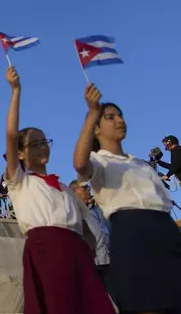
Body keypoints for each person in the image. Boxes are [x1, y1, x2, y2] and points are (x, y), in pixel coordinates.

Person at [4, 67, 113, 314]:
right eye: (34, 144)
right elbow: (11, 135)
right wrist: (16, 91)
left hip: (78, 255)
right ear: (20, 153)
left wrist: (85, 253)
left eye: (45, 142)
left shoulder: (65, 188)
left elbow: (86, 230)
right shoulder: (21, 181)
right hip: (45, 251)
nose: (43, 148)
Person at [73, 83, 181, 314]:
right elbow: (80, 164)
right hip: (131, 233)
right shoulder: (99, 162)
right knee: (147, 304)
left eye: (120, 116)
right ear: (97, 129)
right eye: (110, 117)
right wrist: (92, 113)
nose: (120, 120)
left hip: (166, 232)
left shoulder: (142, 164)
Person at [69, 180, 111, 290]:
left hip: (110, 261)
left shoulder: (98, 209)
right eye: (85, 188)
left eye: (88, 188)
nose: (88, 190)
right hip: (93, 266)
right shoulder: (73, 213)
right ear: (75, 191)